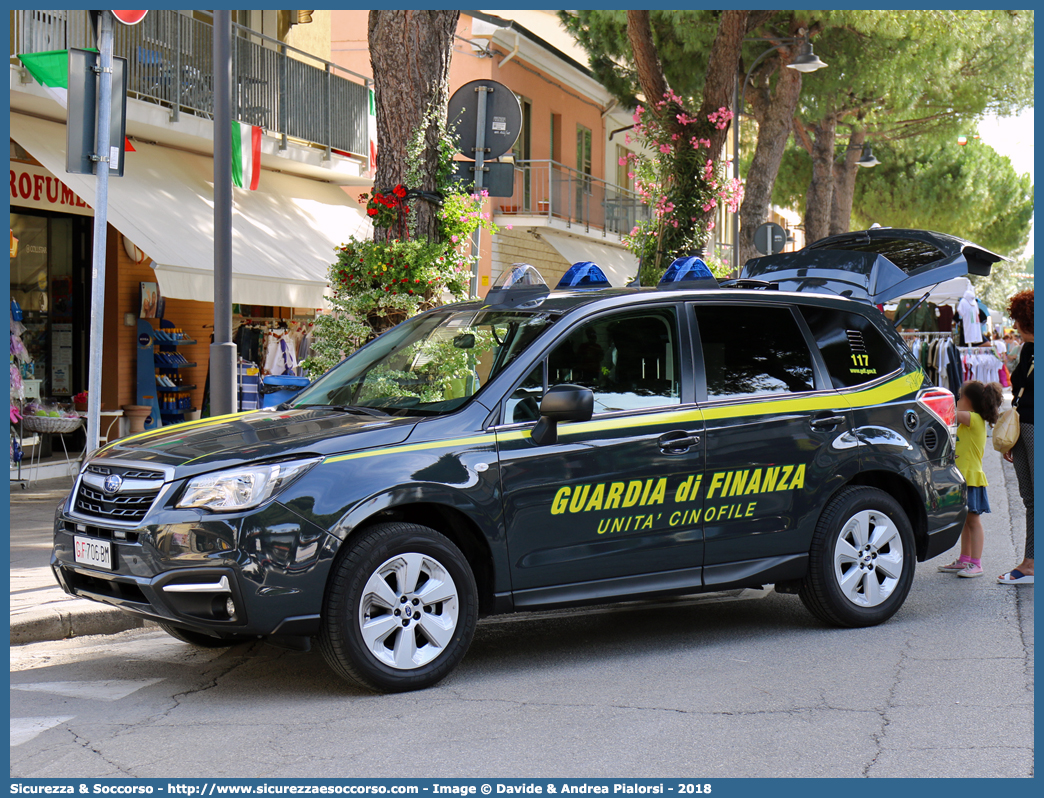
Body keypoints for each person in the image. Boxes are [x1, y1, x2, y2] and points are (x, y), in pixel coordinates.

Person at [938, 379, 1004, 578]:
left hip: (971, 479)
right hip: (962, 478)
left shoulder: (974, 419)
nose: (957, 400)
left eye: (960, 397)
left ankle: (976, 563)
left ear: (969, 401)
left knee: (973, 522)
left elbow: (949, 413)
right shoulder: (969, 420)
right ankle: (965, 560)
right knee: (966, 521)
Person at [998, 289, 1034, 585]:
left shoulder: (1031, 350)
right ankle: (1031, 560)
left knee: (1034, 498)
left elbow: (1019, 383)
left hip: (1033, 426)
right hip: (1024, 426)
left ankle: (1031, 563)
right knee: (1030, 497)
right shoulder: (1027, 350)